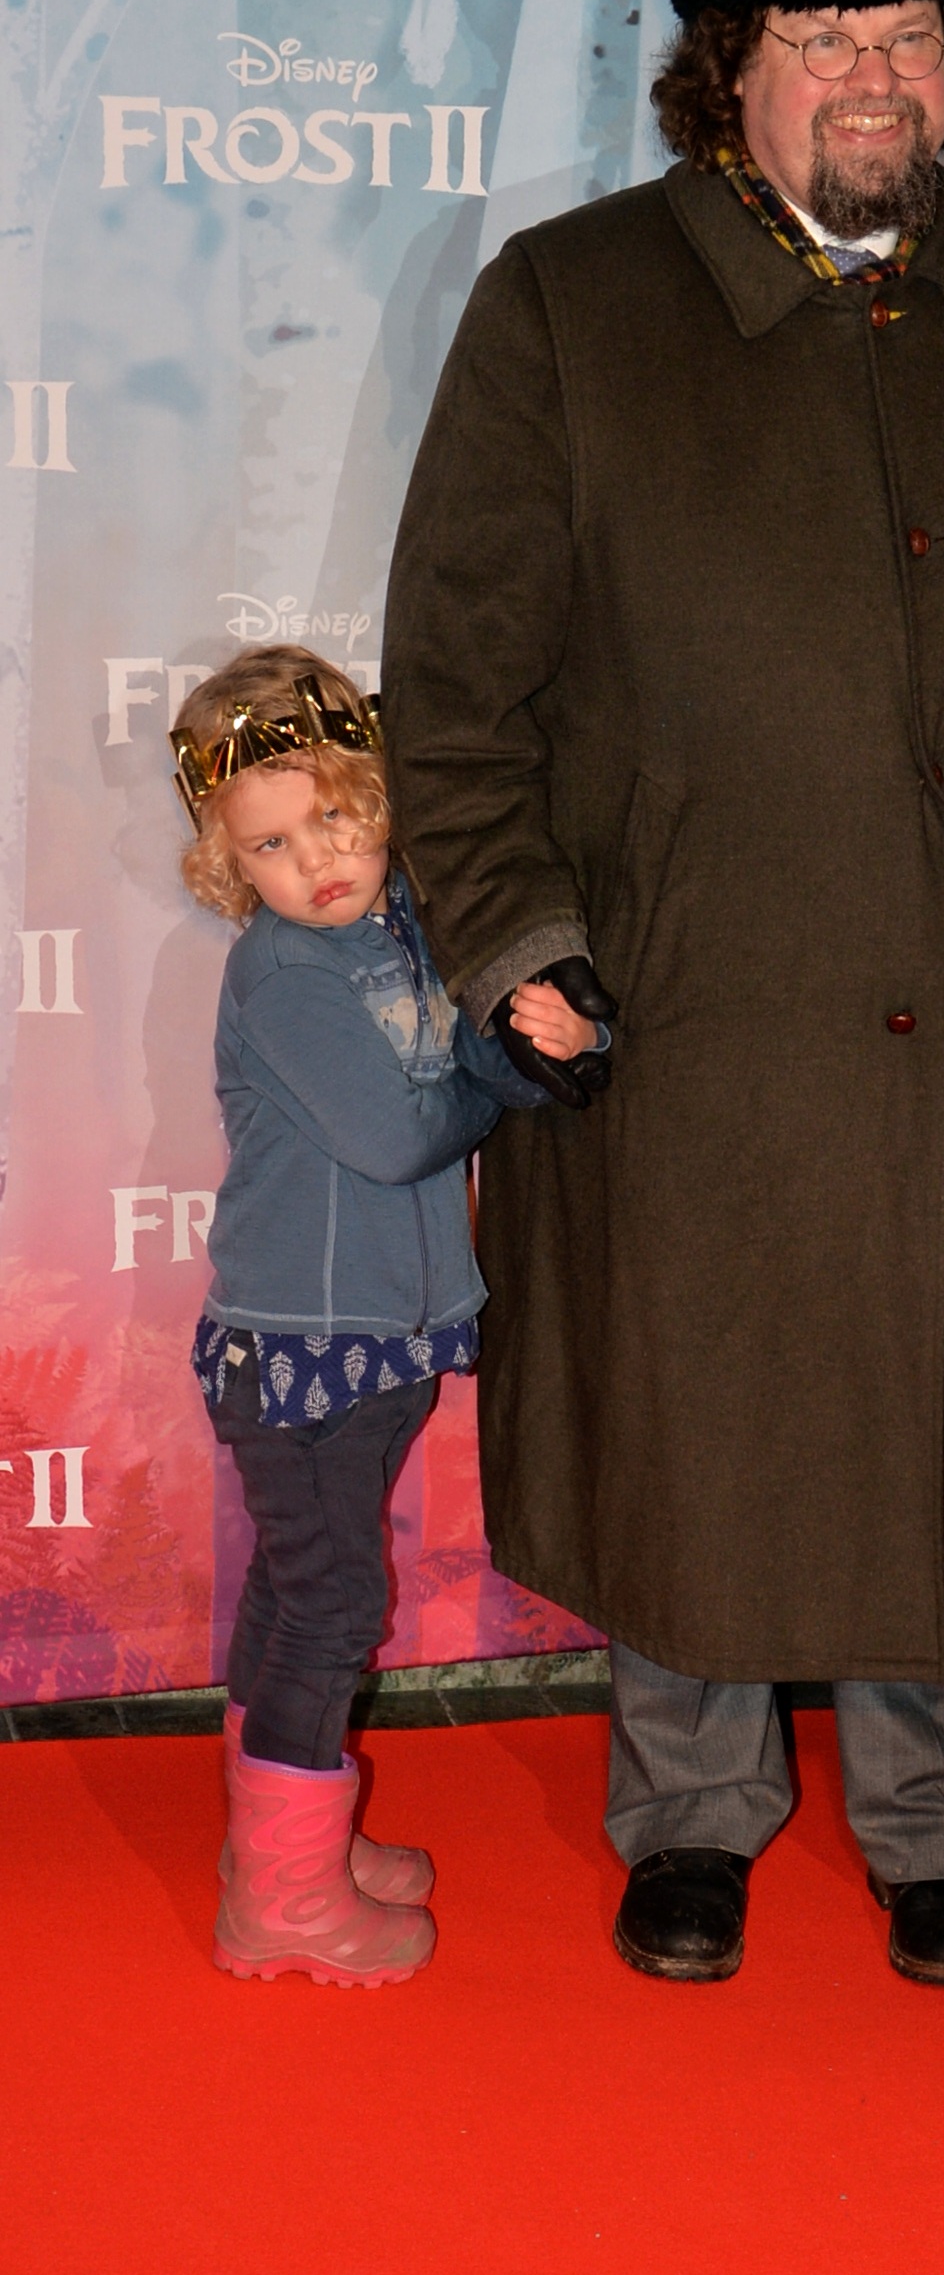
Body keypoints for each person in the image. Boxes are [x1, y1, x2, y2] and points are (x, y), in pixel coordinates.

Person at [382, 0, 944, 1993]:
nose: (873, 76)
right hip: (688, 984)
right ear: (728, 66)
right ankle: (692, 1807)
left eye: (910, 33)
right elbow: (456, 690)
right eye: (822, 34)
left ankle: (939, 1818)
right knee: (698, 1404)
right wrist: (518, 936)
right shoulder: (569, 303)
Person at [171, 646, 595, 1986]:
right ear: (232, 864)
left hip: (380, 1329)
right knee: (331, 1602)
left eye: (335, 817)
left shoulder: (397, 917)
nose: (317, 861)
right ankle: (284, 1901)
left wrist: (536, 1042)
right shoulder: (285, 972)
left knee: (298, 1592)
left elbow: (464, 1047)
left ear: (378, 796)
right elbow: (401, 1132)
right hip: (304, 1344)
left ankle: (281, 1849)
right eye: (272, 845)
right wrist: (494, 1077)